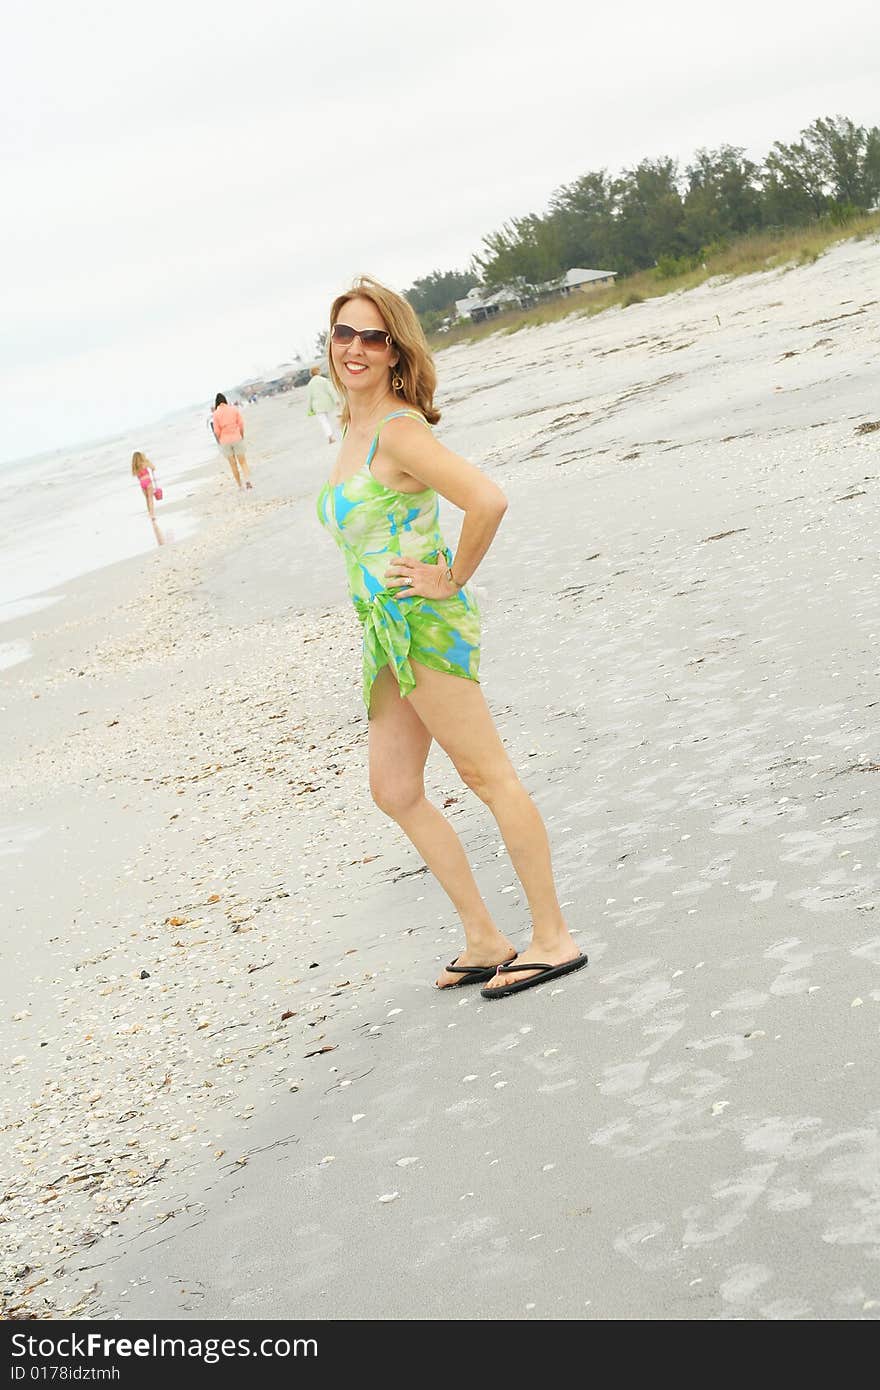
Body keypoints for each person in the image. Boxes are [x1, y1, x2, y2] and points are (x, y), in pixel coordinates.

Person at [316, 277, 587, 999]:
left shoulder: (400, 431)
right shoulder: (352, 427)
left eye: (373, 336)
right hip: (384, 635)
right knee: (394, 788)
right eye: (345, 333)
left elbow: (487, 499)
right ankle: (483, 937)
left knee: (486, 775)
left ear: (395, 349)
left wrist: (450, 576)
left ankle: (552, 937)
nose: (356, 348)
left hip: (424, 627)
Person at [212, 393, 252, 490]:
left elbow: (216, 431)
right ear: (225, 400)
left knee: (233, 464)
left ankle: (240, 486)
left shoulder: (216, 414)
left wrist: (219, 441)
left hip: (225, 441)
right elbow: (241, 424)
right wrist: (241, 435)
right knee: (243, 462)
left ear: (216, 403)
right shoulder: (233, 409)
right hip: (237, 438)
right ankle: (247, 480)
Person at [131, 450, 164, 545]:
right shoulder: (144, 463)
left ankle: (150, 513)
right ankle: (152, 515)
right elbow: (153, 468)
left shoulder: (135, 467)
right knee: (150, 499)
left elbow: (136, 476)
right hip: (148, 482)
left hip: (142, 483)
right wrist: (148, 462)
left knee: (147, 499)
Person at [306, 365, 341, 444]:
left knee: (323, 421)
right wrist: (336, 400)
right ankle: (341, 429)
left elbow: (309, 398)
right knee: (333, 418)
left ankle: (330, 436)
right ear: (318, 372)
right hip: (328, 404)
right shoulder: (324, 380)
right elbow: (331, 391)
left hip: (317, 406)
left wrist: (309, 409)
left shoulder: (310, 384)